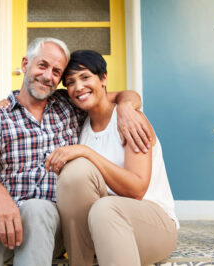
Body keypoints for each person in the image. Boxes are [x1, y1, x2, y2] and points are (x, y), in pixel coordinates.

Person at [0, 38, 150, 266]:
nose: (48, 76)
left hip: (51, 224)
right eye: (42, 66)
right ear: (25, 64)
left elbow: (121, 94)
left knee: (36, 208)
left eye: (56, 72)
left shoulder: (69, 105)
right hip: (4, 219)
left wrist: (126, 107)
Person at [46, 50, 179, 266]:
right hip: (101, 228)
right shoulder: (81, 124)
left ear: (104, 78)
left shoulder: (130, 121)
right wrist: (7, 102)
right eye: (70, 82)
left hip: (153, 224)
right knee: (75, 173)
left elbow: (137, 189)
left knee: (104, 207)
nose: (78, 87)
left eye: (85, 77)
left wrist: (87, 151)